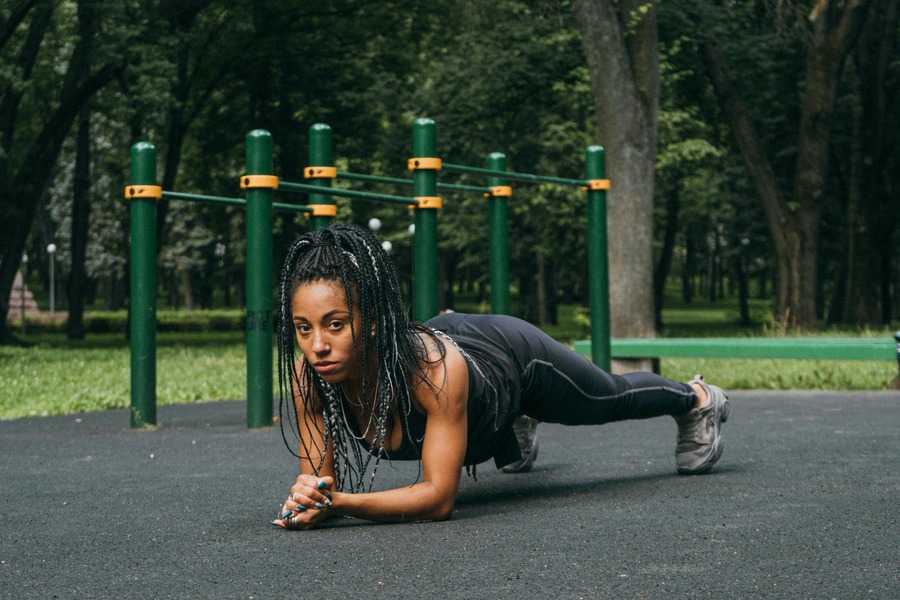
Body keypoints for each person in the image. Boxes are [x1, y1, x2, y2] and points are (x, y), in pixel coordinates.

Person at [271, 224, 729, 530]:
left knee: (607, 398)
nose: (318, 346)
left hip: (509, 357)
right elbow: (321, 488)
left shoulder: (431, 371)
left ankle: (696, 398)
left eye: (336, 324)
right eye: (303, 328)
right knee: (471, 408)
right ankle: (507, 423)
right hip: (455, 358)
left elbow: (437, 499)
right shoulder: (310, 377)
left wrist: (341, 504)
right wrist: (314, 502)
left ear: (371, 321)